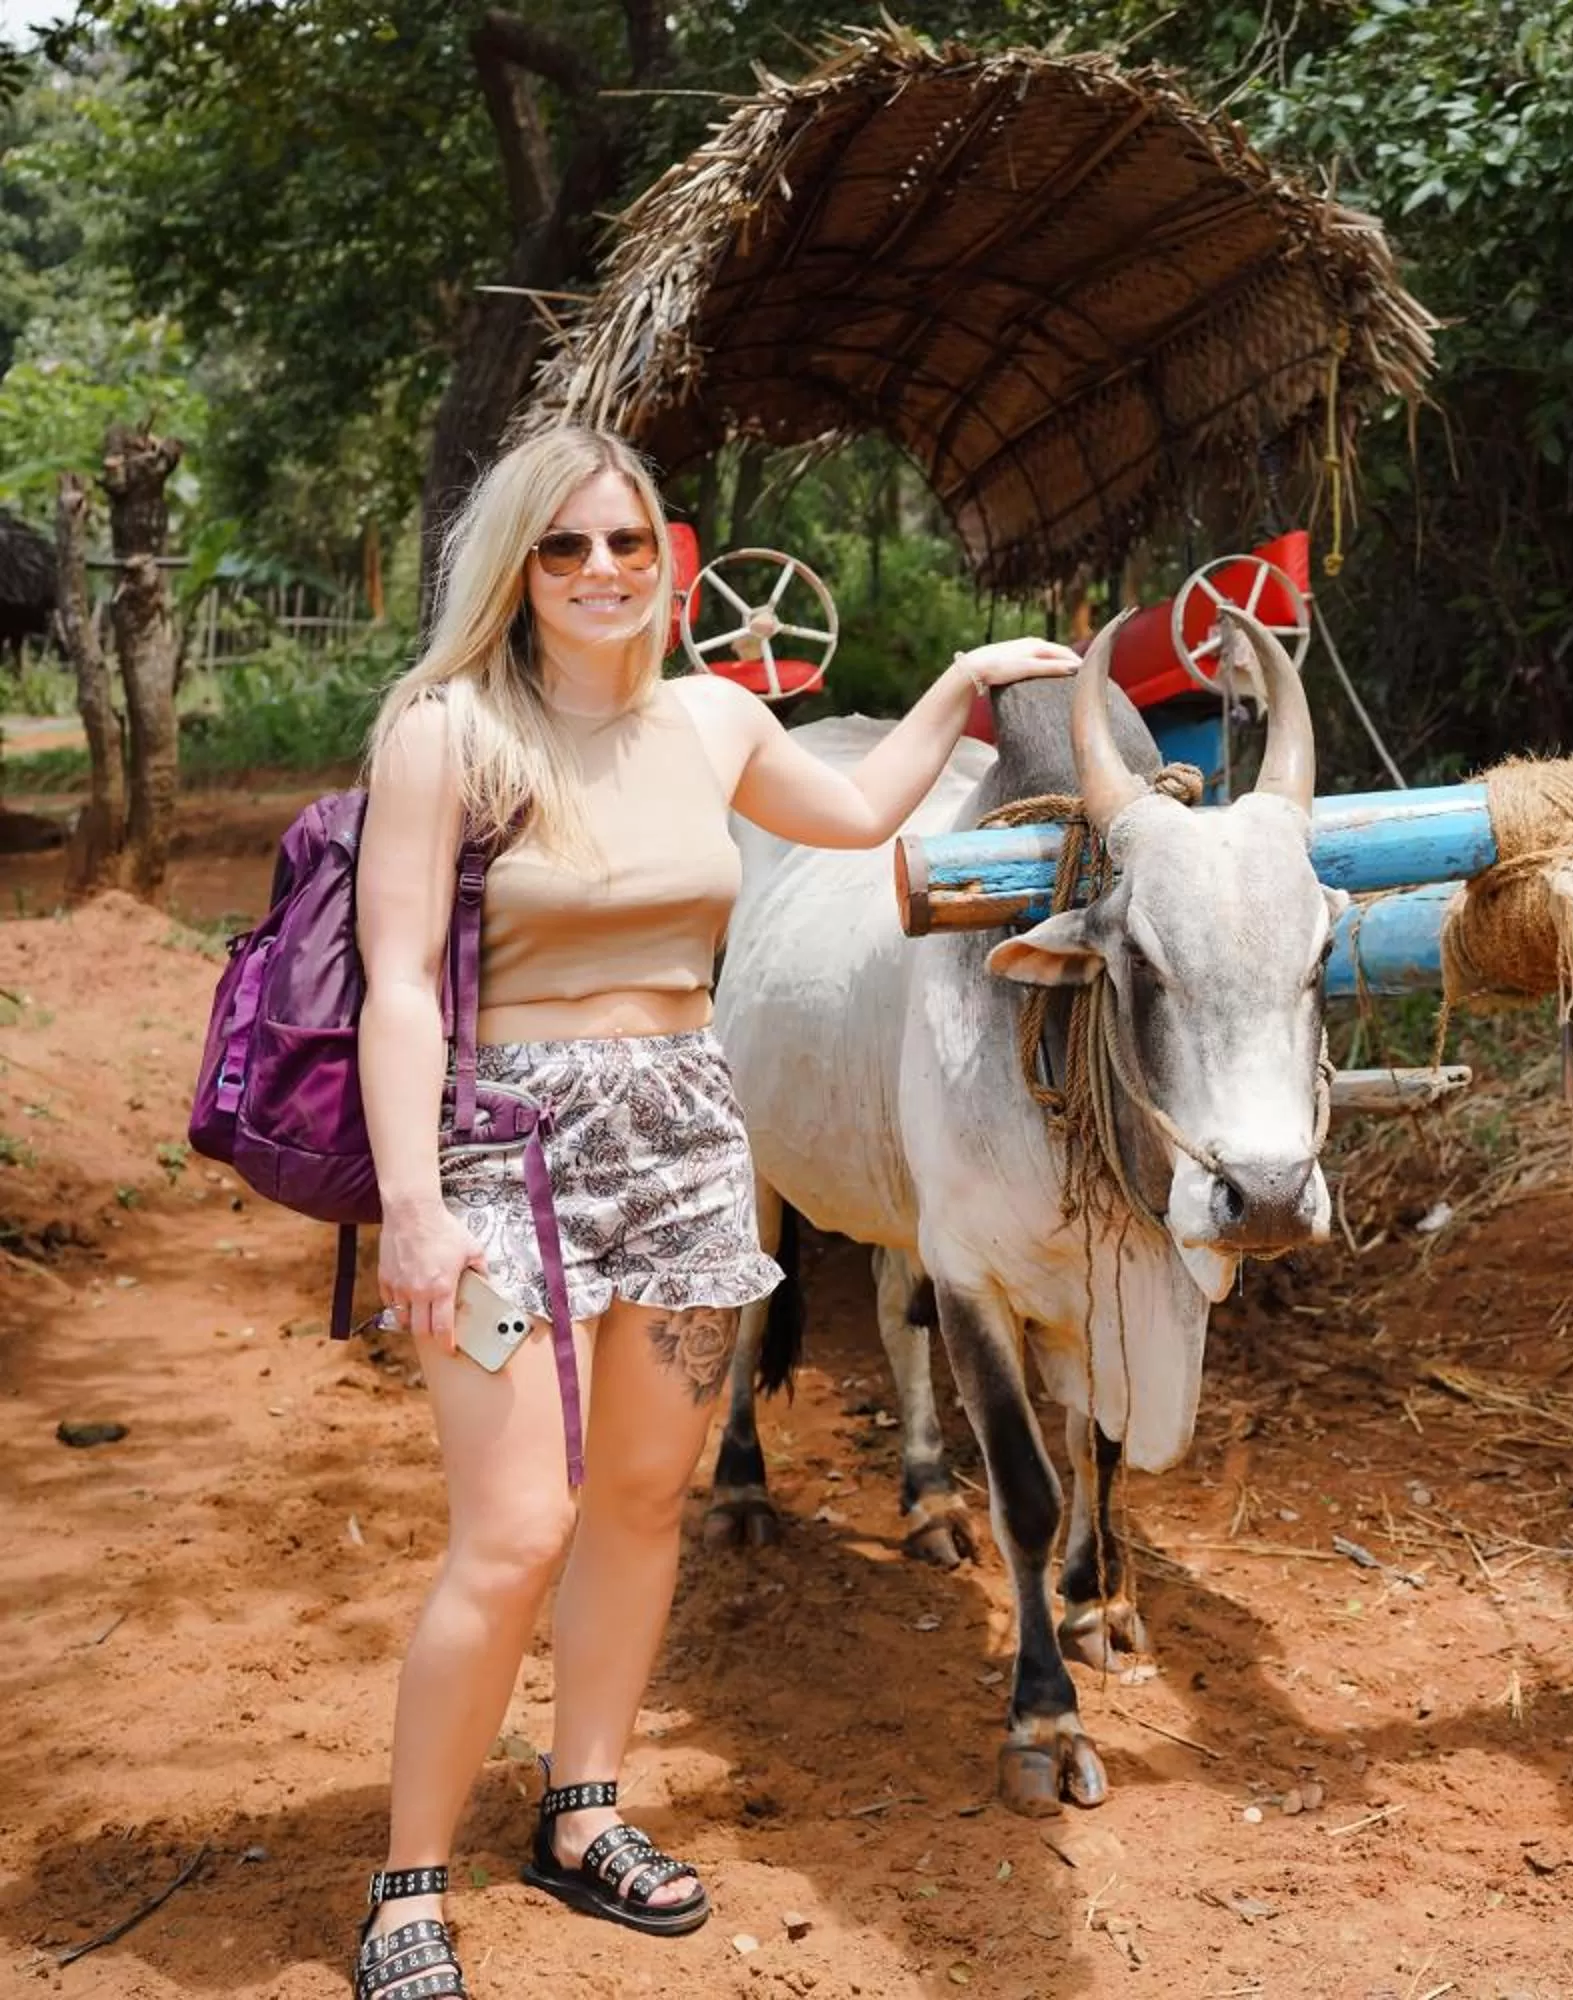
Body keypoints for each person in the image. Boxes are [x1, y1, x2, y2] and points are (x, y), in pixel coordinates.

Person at [348, 424, 1076, 2000]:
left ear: (667, 561)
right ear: (516, 568)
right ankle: (408, 1885)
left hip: (685, 1135)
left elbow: (872, 809)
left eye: (628, 544)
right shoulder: (443, 730)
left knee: (638, 1504)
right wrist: (414, 1203)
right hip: (506, 1151)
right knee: (515, 1529)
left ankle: (583, 1806)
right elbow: (400, 985)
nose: (602, 573)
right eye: (565, 548)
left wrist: (958, 685)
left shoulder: (716, 719)